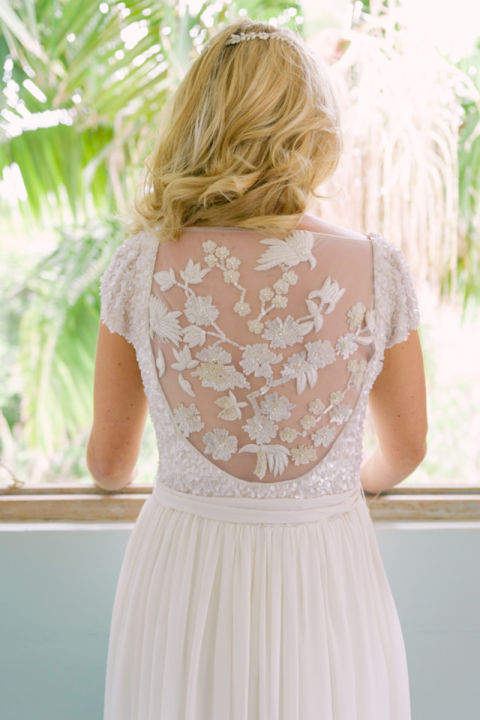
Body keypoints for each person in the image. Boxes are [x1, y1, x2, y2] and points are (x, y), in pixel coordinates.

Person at [87, 18, 427, 720]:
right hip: (324, 568)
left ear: (196, 123)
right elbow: (408, 447)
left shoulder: (140, 264)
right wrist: (334, 485)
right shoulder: (374, 267)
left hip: (185, 570)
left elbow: (111, 463)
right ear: (311, 129)